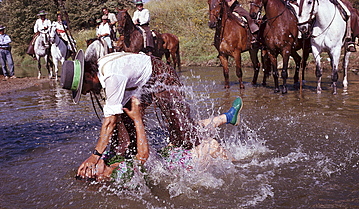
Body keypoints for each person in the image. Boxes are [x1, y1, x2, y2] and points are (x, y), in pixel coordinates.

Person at [60, 50, 243, 181]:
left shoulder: (111, 76)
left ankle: (227, 119)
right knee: (123, 143)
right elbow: (112, 123)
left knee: (183, 136)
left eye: (81, 89)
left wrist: (94, 155)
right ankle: (224, 119)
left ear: (89, 77)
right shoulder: (103, 73)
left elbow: (109, 121)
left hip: (159, 76)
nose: (83, 94)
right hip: (139, 85)